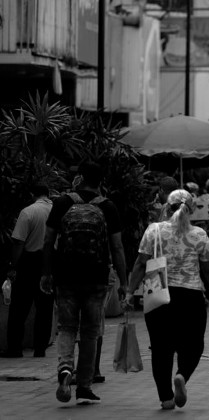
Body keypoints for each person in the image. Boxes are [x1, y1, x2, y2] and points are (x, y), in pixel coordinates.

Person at [125, 189, 209, 410]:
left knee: (161, 349)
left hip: (159, 296)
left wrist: (130, 293)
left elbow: (140, 263)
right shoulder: (198, 234)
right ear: (191, 210)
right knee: (193, 345)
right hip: (191, 297)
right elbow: (208, 268)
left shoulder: (154, 231)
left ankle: (166, 398)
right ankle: (182, 375)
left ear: (166, 207)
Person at [41, 162, 127, 404]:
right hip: (97, 278)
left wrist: (46, 273)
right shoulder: (107, 206)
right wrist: (124, 282)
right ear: (101, 181)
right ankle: (85, 385)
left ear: (80, 178)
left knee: (66, 327)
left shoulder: (62, 203)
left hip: (65, 276)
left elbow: (48, 240)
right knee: (90, 332)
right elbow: (117, 247)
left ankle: (65, 369)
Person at [1, 183, 53, 358]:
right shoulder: (57, 211)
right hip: (49, 262)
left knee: (19, 308)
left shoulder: (28, 212)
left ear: (32, 194)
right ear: (48, 194)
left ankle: (15, 348)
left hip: (29, 262)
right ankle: (40, 348)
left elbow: (18, 242)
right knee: (44, 307)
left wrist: (13, 266)